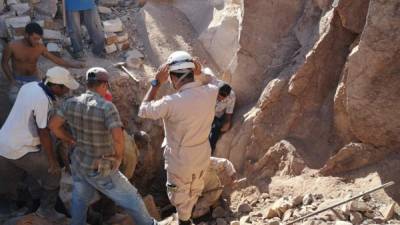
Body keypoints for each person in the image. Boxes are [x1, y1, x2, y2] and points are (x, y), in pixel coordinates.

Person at [49, 67, 157, 225]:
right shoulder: (106, 107)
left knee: (80, 199)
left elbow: (53, 126)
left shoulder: (70, 103)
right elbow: (118, 138)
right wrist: (118, 158)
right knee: (132, 198)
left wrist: (70, 140)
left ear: (87, 84)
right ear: (105, 84)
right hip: (100, 167)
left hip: (79, 163)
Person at [138, 51, 219, 225]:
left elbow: (143, 109)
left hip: (179, 162)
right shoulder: (211, 92)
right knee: (196, 187)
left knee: (176, 193)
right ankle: (189, 214)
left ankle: (183, 220)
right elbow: (213, 80)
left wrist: (156, 82)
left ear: (173, 78)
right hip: (202, 155)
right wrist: (200, 71)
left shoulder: (170, 102)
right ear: (192, 72)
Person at [0, 66, 80, 220]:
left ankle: (5, 212)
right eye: (65, 89)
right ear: (56, 86)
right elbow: (44, 132)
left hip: (3, 142)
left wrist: (69, 139)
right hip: (22, 148)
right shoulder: (43, 99)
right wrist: (52, 161)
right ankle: (46, 211)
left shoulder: (30, 86)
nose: (67, 92)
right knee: (53, 176)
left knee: (7, 181)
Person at [1, 22, 84, 102]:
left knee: (42, 100)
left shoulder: (40, 47)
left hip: (34, 79)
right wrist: (11, 80)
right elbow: (4, 63)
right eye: (34, 39)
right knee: (15, 100)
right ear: (26, 35)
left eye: (39, 39)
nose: (37, 41)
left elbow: (56, 59)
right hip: (18, 80)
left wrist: (74, 65)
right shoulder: (12, 46)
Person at [199, 68, 236, 153]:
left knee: (216, 128)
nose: (219, 99)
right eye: (218, 96)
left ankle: (209, 152)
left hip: (216, 116)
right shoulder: (212, 86)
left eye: (222, 98)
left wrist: (227, 123)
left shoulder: (231, 97)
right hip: (204, 111)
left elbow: (229, 113)